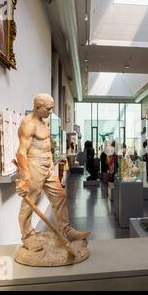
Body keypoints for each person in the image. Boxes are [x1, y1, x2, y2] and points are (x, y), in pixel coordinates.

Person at [15, 93, 89, 252]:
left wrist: (49, 163)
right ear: (37, 107)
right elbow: (21, 152)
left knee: (59, 196)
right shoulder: (28, 124)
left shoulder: (45, 120)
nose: (50, 111)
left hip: (47, 165)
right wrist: (25, 178)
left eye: (51, 108)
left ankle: (65, 229)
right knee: (30, 202)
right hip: (34, 164)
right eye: (48, 108)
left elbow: (47, 145)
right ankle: (27, 236)